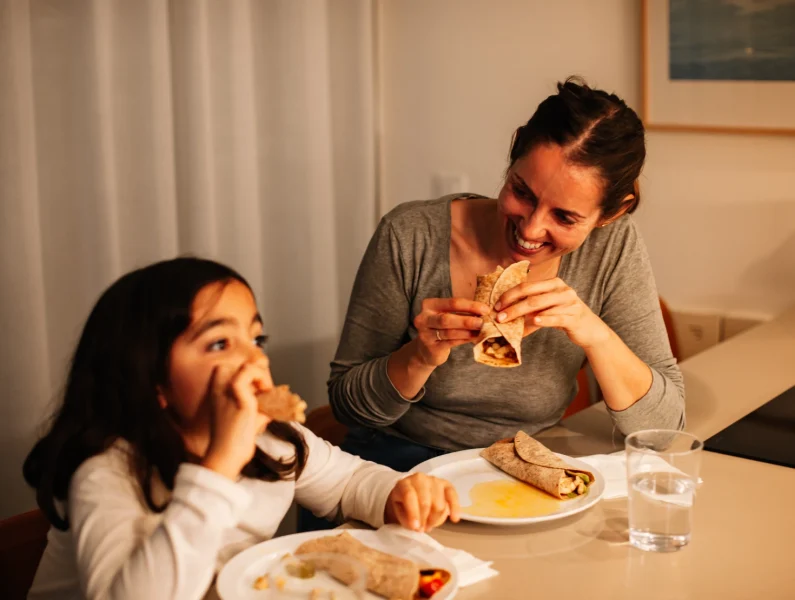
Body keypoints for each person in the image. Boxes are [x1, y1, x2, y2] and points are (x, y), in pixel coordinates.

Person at [23, 257, 460, 600]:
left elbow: (348, 483)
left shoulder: (271, 436)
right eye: (219, 343)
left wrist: (395, 493)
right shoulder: (107, 472)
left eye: (256, 339)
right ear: (152, 379)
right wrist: (219, 465)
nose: (255, 361)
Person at [329, 77, 685, 473]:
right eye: (522, 192)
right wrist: (419, 357)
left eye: (564, 217)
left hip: (526, 468)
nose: (530, 230)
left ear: (613, 214)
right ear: (514, 151)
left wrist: (592, 332)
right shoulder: (410, 234)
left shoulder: (612, 249)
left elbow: (663, 431)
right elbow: (349, 407)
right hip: (398, 465)